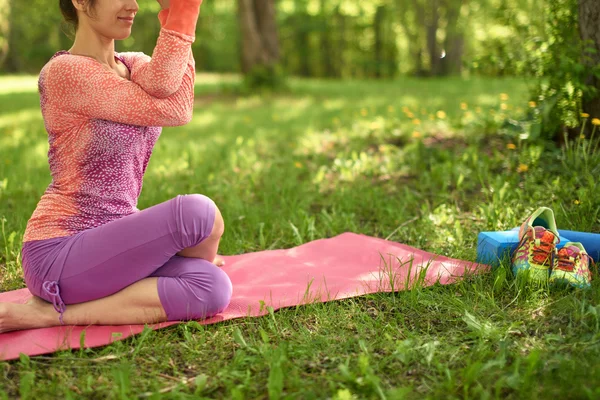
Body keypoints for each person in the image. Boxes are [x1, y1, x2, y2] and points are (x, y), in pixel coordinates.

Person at [0, 0, 233, 333]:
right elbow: (174, 111)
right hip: (59, 251)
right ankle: (53, 313)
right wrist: (183, 10)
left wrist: (175, 13)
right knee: (198, 214)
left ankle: (49, 314)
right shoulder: (65, 72)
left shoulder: (133, 63)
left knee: (213, 286)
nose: (133, 5)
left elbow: (174, 94)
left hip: (116, 245)